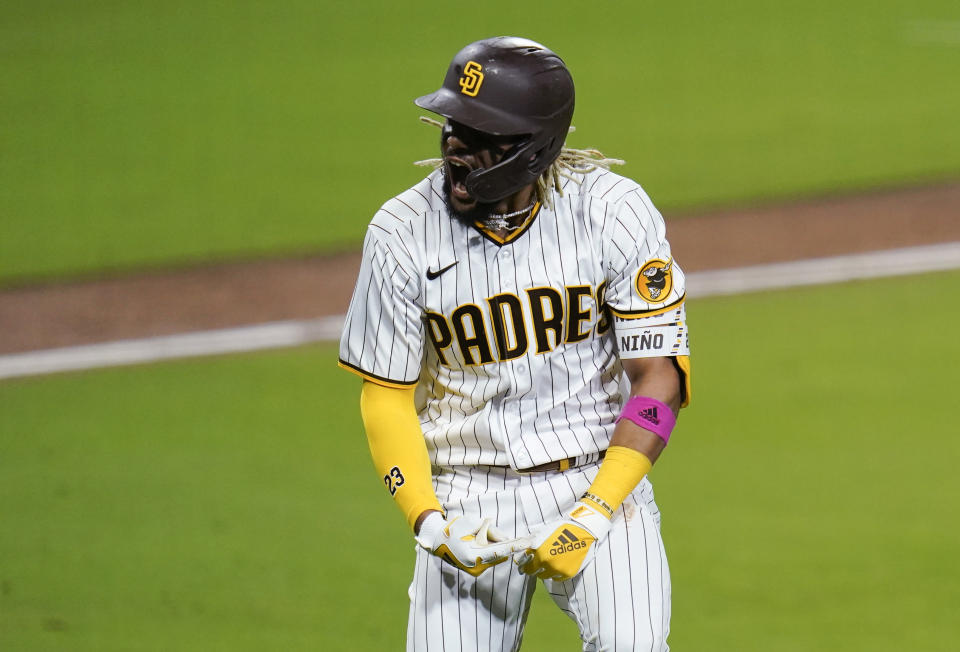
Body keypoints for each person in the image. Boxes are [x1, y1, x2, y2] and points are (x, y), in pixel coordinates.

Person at [338, 36, 691, 651]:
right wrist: (425, 519)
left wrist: (594, 514)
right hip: (464, 497)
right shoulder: (400, 232)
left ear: (536, 146)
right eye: (453, 125)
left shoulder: (611, 211)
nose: (456, 145)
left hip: (594, 481)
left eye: (481, 134)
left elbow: (657, 379)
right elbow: (385, 393)